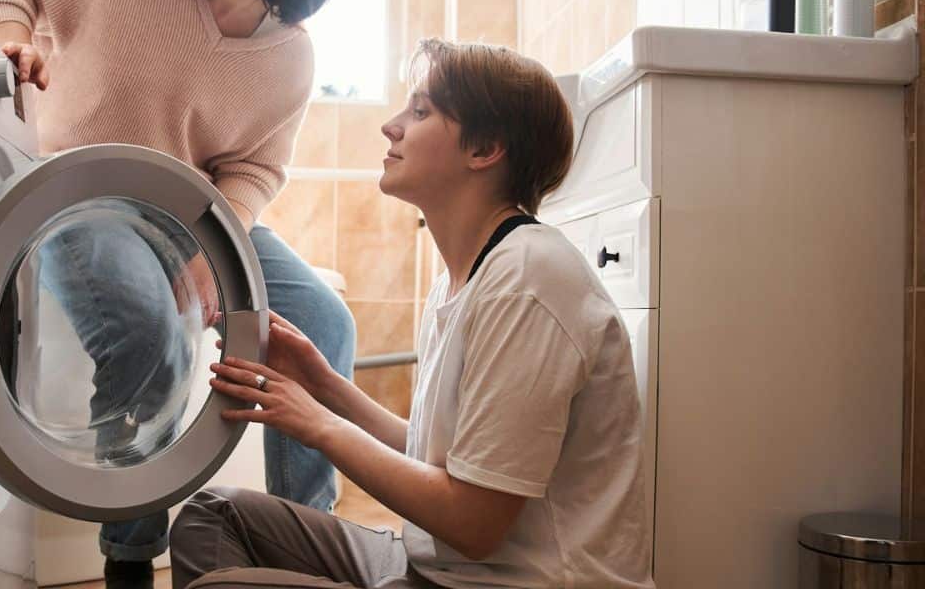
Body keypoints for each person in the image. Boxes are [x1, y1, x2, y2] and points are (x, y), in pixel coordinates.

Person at [0, 0, 354, 586]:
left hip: (193, 211)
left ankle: (303, 546)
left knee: (325, 326)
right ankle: (130, 557)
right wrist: (10, 40)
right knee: (151, 329)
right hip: (80, 190)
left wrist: (220, 249)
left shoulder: (291, 56)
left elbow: (254, 170)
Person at [169, 39, 656, 589]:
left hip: (512, 581)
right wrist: (326, 386)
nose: (391, 126)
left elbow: (473, 524)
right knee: (211, 516)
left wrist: (318, 423)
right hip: (432, 567)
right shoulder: (465, 270)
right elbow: (442, 459)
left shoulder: (527, 281)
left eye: (420, 111)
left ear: (485, 148)